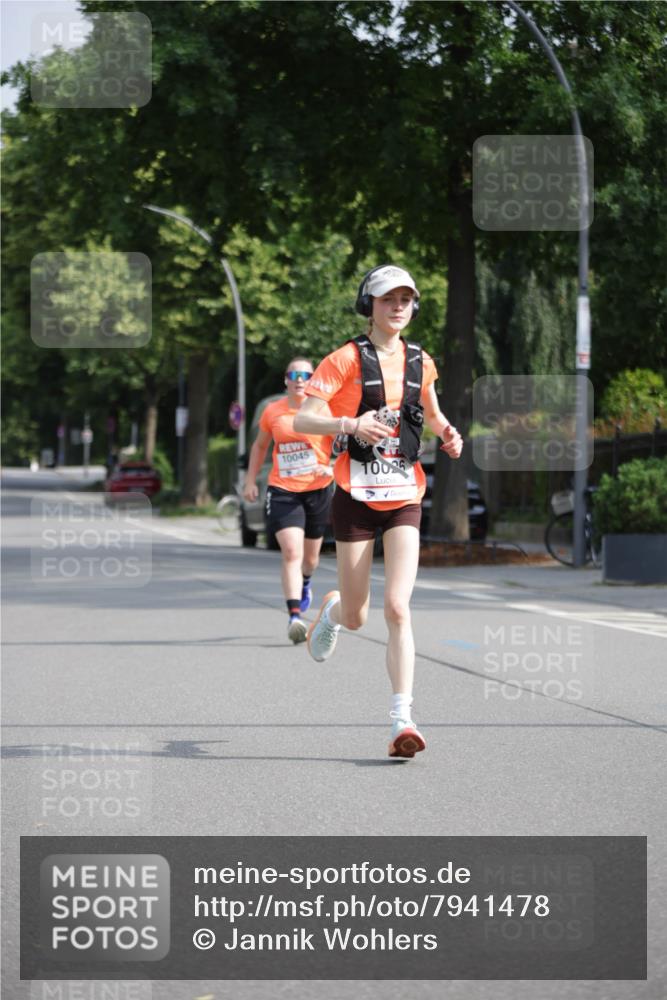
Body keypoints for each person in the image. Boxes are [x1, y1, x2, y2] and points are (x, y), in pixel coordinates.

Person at [293, 265, 463, 758]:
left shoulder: (421, 361)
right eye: (389, 299)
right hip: (355, 496)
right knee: (358, 615)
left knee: (397, 607)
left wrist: (448, 434)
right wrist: (350, 423)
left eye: (407, 299)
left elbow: (430, 415)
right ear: (369, 304)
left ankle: (401, 720)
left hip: (405, 494)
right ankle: (332, 611)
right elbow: (305, 416)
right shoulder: (345, 359)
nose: (398, 307)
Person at [243, 357, 334, 644]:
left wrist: (331, 467)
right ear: (286, 380)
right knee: (291, 553)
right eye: (294, 374)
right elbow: (259, 447)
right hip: (283, 490)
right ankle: (295, 617)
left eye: (306, 374)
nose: (299, 379)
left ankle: (306, 583)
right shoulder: (274, 411)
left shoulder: (325, 410)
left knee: (311, 559)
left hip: (319, 488)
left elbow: (345, 447)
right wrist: (249, 481)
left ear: (313, 380)